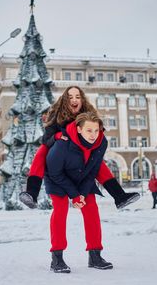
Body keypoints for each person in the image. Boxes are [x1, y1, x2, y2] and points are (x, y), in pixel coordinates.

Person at [19, 86, 140, 209]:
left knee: (98, 163)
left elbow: (97, 131)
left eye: (77, 97)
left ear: (82, 100)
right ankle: (32, 192)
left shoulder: (88, 115)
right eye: (70, 97)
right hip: (59, 155)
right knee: (42, 151)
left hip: (82, 153)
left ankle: (119, 196)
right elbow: (46, 139)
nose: (74, 100)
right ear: (65, 100)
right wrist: (57, 135)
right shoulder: (56, 115)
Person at [44, 112, 113, 273]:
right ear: (79, 129)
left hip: (81, 177)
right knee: (60, 210)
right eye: (89, 130)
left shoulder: (98, 145)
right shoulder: (62, 144)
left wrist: (81, 193)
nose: (93, 135)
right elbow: (55, 173)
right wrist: (74, 195)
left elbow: (93, 170)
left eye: (96, 131)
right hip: (57, 178)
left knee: (91, 210)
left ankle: (95, 255)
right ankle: (57, 258)